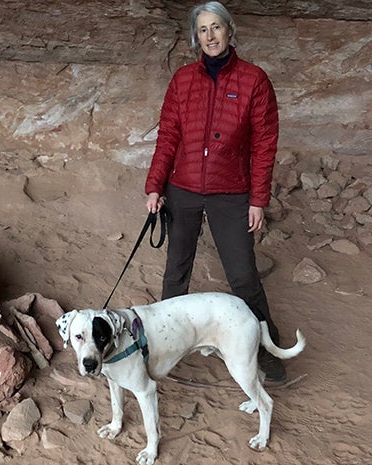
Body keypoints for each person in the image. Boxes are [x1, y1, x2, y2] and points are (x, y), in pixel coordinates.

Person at [144, 1, 286, 382]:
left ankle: (266, 347)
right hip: (183, 189)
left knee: (242, 277)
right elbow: (168, 136)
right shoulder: (183, 80)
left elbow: (265, 144)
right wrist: (155, 185)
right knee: (176, 272)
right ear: (196, 37)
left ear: (229, 30)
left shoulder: (254, 80)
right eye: (203, 30)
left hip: (231, 192)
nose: (210, 36)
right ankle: (162, 345)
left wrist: (258, 199)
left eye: (216, 28)